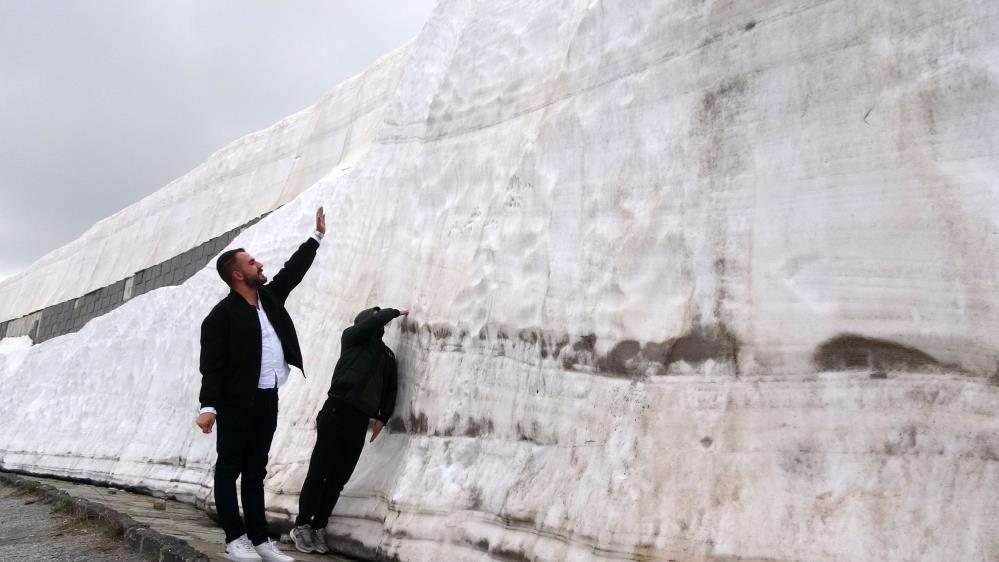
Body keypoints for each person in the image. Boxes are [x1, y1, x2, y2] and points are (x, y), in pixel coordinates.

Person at [196, 207, 327, 562]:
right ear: (238, 274)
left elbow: (291, 273)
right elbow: (212, 366)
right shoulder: (220, 316)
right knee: (229, 469)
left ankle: (260, 541)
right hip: (235, 402)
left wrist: (314, 239)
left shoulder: (269, 299)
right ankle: (234, 539)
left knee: (256, 471)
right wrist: (208, 407)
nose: (260, 265)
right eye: (253, 263)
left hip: (267, 397)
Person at [290, 306, 408, 554]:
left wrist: (382, 417)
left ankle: (319, 526)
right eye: (374, 316)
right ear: (364, 320)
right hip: (337, 409)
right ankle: (301, 525)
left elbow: (390, 388)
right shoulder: (352, 338)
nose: (378, 320)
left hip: (359, 419)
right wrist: (393, 311)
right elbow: (368, 326)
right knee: (319, 471)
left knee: (338, 478)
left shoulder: (387, 355)